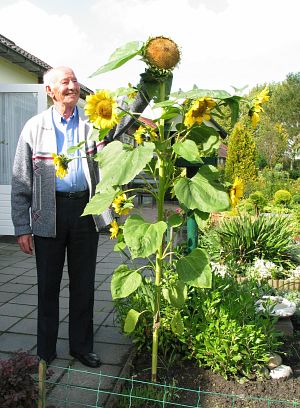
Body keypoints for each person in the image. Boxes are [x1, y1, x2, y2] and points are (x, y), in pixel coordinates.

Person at [11, 66, 114, 368]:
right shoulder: (34, 127)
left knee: (83, 284)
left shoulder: (93, 125)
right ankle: (46, 350)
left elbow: (108, 165)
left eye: (74, 80)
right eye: (64, 82)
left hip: (85, 211)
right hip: (48, 213)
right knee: (48, 286)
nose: (72, 86)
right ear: (50, 91)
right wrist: (22, 227)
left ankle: (82, 348)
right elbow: (20, 179)